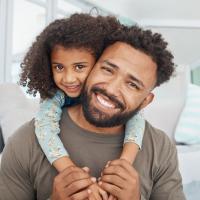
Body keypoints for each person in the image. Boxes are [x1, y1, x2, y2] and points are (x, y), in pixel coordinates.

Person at [0, 16, 186, 200]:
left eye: (132, 85)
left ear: (145, 101)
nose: (111, 89)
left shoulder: (160, 148)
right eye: (108, 69)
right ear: (94, 65)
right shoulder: (24, 143)